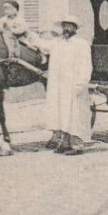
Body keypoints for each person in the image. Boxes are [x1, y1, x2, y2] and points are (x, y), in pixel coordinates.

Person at [27, 15, 93, 155]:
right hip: (58, 85)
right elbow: (43, 45)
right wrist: (29, 33)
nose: (66, 29)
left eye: (69, 26)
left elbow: (86, 66)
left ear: (75, 28)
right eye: (64, 26)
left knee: (74, 114)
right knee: (60, 114)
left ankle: (77, 145)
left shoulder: (81, 44)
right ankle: (64, 142)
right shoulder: (57, 42)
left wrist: (81, 83)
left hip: (74, 85)